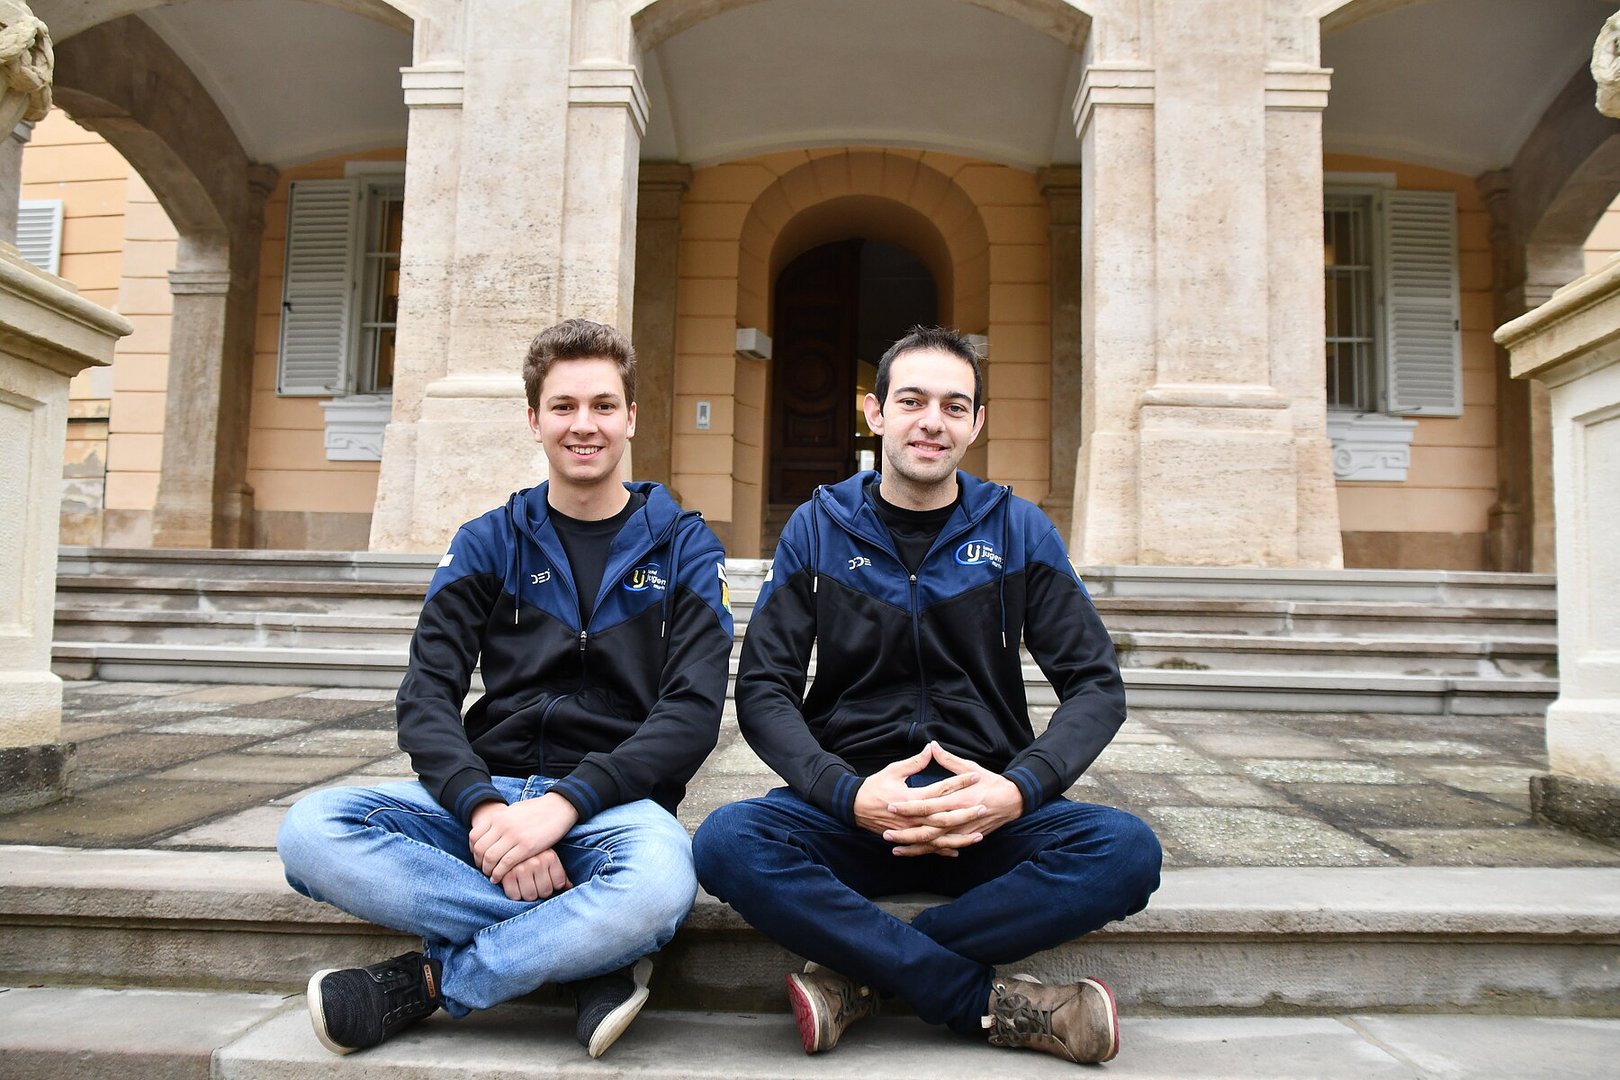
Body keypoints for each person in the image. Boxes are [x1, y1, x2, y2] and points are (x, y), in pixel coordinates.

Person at [693, 326, 1161, 1065]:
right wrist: (846, 794)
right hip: (855, 814)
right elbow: (764, 687)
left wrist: (1017, 790)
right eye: (912, 401)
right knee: (727, 842)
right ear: (876, 412)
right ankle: (989, 1003)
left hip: (985, 816)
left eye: (954, 406)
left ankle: (862, 977)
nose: (932, 422)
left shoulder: (1018, 529)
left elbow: (1097, 686)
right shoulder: (818, 528)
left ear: (977, 423)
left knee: (1126, 851)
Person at [277, 318, 733, 1059]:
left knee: (658, 885)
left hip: (613, 806)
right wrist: (487, 812)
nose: (583, 425)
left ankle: (432, 981)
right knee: (310, 831)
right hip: (488, 794)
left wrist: (563, 806)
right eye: (563, 406)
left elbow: (692, 712)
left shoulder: (684, 546)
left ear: (630, 418)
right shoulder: (489, 540)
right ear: (533, 419)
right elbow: (427, 693)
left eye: (603, 405)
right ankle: (589, 950)